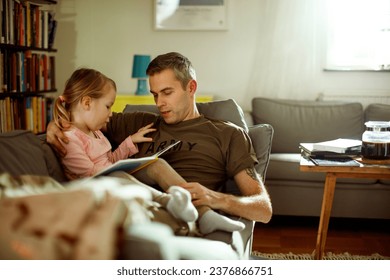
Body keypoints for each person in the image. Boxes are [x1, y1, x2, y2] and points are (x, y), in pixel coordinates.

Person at [47, 52, 272, 233]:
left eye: (167, 92)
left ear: (191, 88)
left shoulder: (226, 134)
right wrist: (56, 125)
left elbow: (263, 209)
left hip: (182, 214)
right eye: (155, 94)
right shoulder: (140, 122)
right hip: (128, 206)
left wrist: (217, 199)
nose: (159, 103)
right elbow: (84, 116)